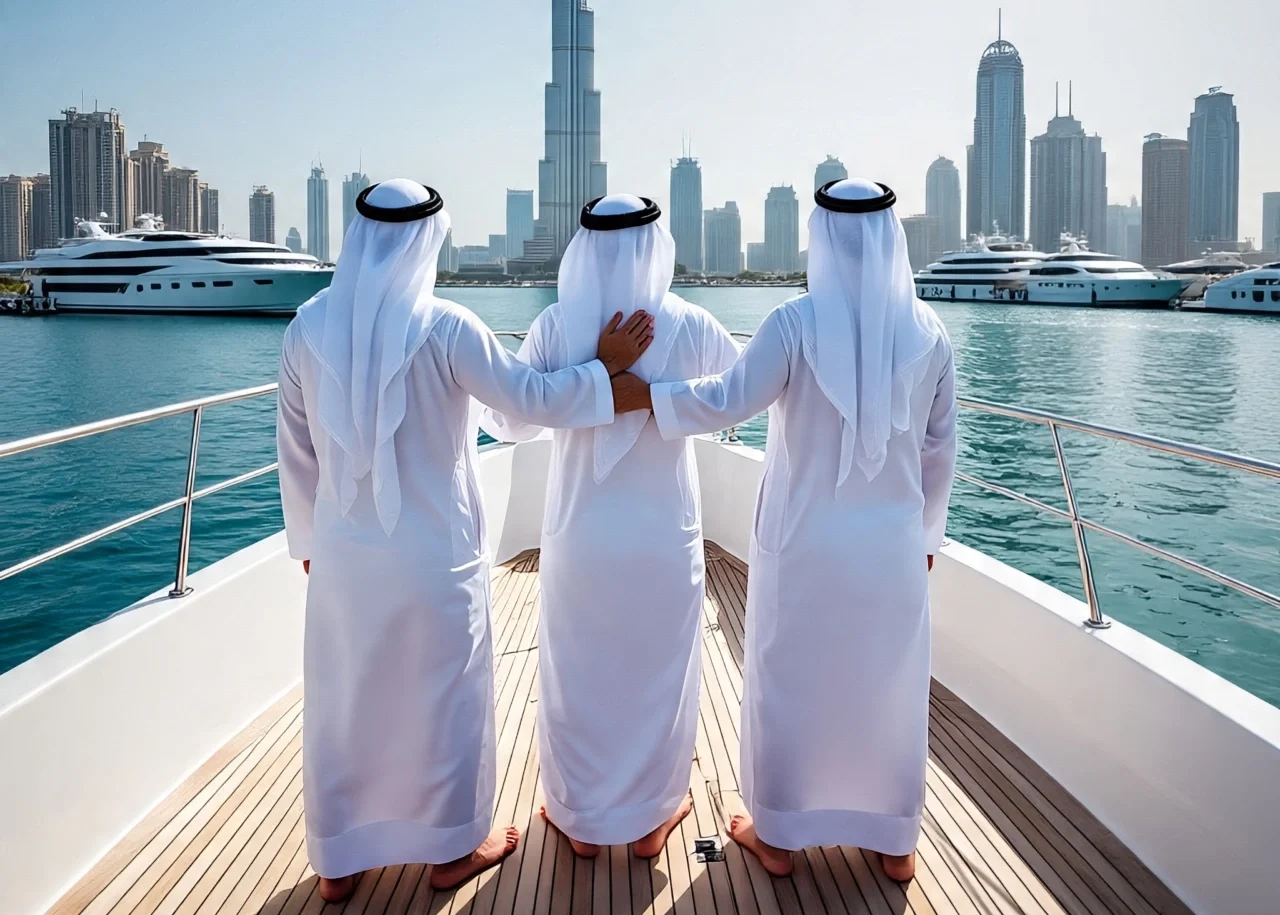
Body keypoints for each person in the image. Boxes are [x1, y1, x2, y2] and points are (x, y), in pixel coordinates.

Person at [275, 179, 653, 901]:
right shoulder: (448, 327)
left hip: (344, 558)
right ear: (425, 240)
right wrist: (603, 366)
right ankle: (452, 848)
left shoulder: (305, 327)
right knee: (443, 696)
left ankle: (339, 857)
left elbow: (296, 454)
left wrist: (308, 545)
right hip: (434, 554)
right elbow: (532, 402)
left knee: (345, 698)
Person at [610, 178, 958, 882]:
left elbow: (725, 400)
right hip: (891, 549)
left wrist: (641, 392)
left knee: (793, 680)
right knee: (887, 685)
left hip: (805, 546)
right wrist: (925, 538)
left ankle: (781, 834)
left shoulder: (793, 324)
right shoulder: (930, 331)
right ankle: (893, 839)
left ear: (821, 237)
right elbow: (939, 451)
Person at [480, 194, 739, 858]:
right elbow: (738, 401)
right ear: (657, 243)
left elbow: (510, 422)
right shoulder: (692, 324)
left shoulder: (554, 327)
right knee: (658, 670)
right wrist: (653, 393)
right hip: (661, 535)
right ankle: (652, 818)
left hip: (580, 534)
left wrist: (593, 378)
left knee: (578, 673)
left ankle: (579, 818)